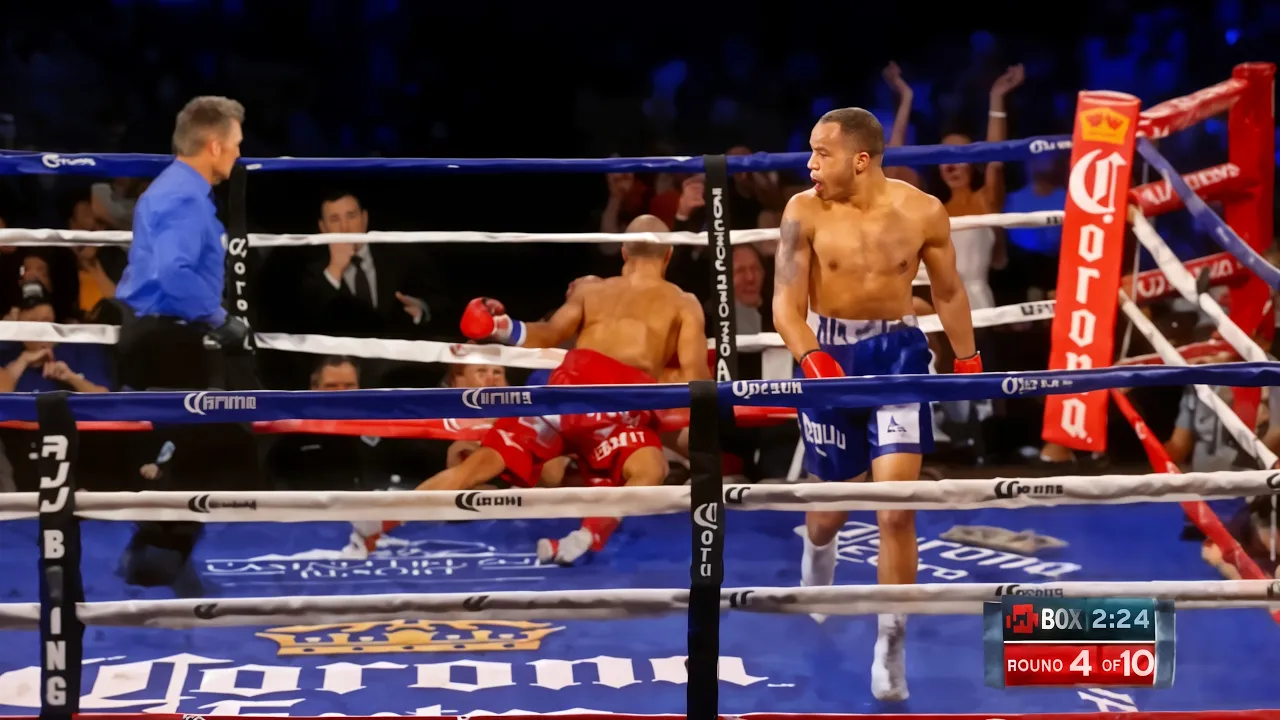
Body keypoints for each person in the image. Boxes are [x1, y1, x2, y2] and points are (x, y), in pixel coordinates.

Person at [772, 107, 980, 701]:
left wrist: (968, 358)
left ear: (860, 160)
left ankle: (891, 640)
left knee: (896, 511)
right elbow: (786, 304)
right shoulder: (803, 211)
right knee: (828, 513)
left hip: (897, 357)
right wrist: (811, 356)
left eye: (822, 154)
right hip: (829, 353)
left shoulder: (923, 212)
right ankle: (818, 555)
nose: (810, 165)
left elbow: (947, 291)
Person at [350, 231, 710, 565]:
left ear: (623, 252)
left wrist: (501, 327)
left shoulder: (592, 290)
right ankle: (586, 536)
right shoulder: (683, 301)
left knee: (477, 467)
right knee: (650, 470)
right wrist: (666, 382)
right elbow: (697, 381)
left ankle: (380, 520)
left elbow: (550, 332)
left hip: (562, 390)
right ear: (669, 255)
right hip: (617, 402)